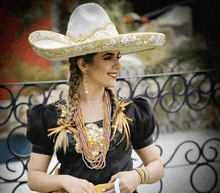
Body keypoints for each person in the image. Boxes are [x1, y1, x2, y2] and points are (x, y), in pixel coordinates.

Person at [26, 3, 166, 193]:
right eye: (108, 57)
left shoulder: (129, 112)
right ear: (84, 63)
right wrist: (64, 181)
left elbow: (157, 165)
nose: (118, 65)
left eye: (118, 56)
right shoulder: (52, 115)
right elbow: (34, 178)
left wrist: (137, 175)